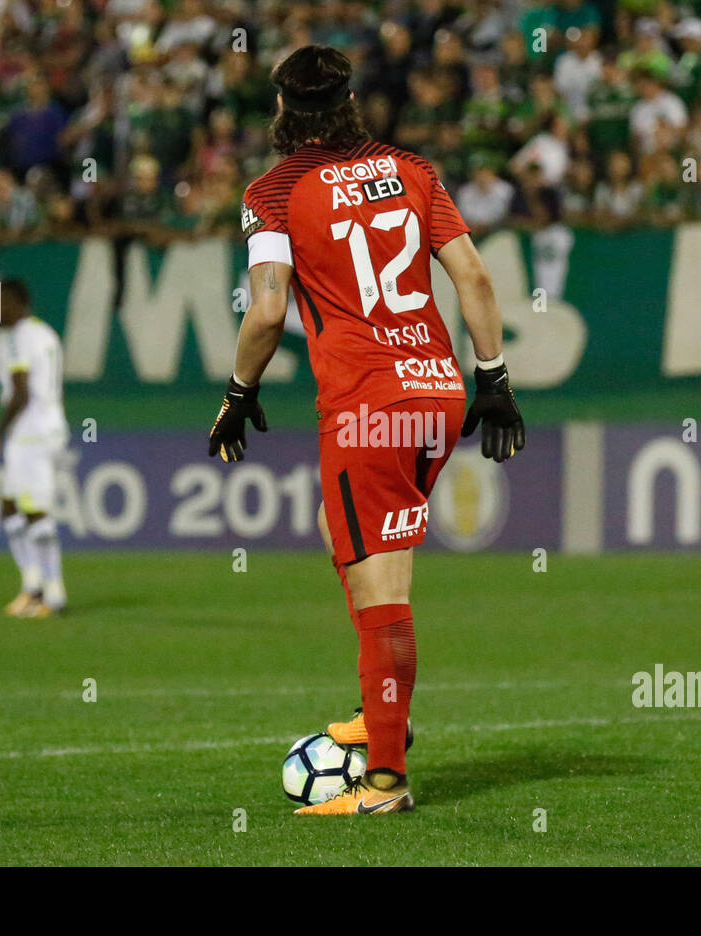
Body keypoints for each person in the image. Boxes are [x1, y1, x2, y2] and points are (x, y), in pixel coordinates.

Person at [207, 46, 525, 815]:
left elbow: (269, 310)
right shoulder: (412, 169)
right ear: (350, 105)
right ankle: (382, 711)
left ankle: (385, 776)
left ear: (284, 112)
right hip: (436, 394)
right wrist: (496, 380)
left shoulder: (272, 192)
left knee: (382, 585)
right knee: (341, 530)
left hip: (366, 403)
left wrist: (238, 392)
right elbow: (474, 277)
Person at [0, 278, 70, 618]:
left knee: (35, 510)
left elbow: (21, 393)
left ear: (16, 302)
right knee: (10, 505)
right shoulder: (44, 333)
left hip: (32, 433)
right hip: (38, 430)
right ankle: (32, 587)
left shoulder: (19, 337)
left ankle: (54, 593)